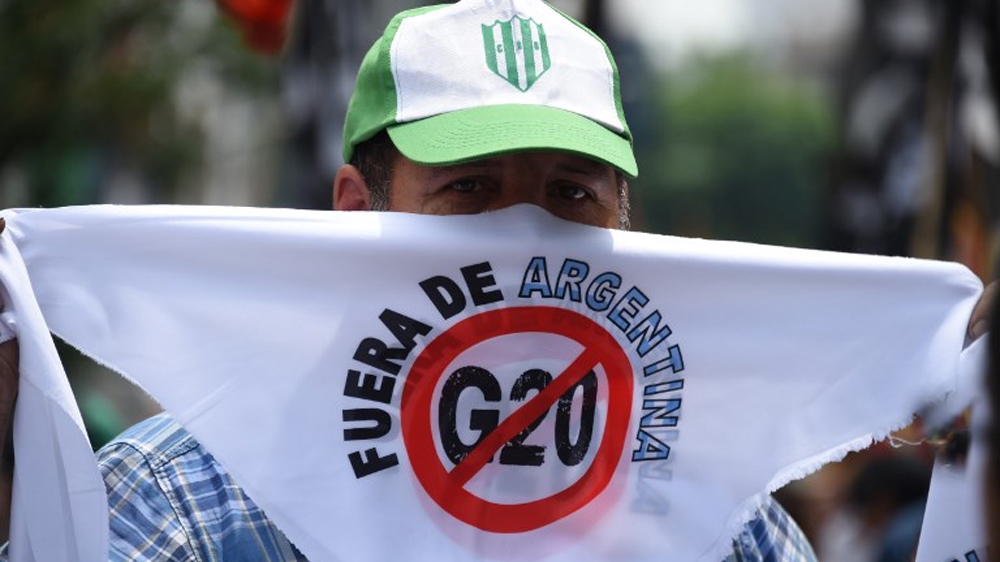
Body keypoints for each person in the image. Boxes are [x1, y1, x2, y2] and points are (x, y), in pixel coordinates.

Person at [0, 0, 993, 560]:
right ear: (356, 211)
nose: (525, 236)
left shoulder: (720, 521)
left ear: (626, 222)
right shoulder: (182, 501)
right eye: (469, 190)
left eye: (570, 194)